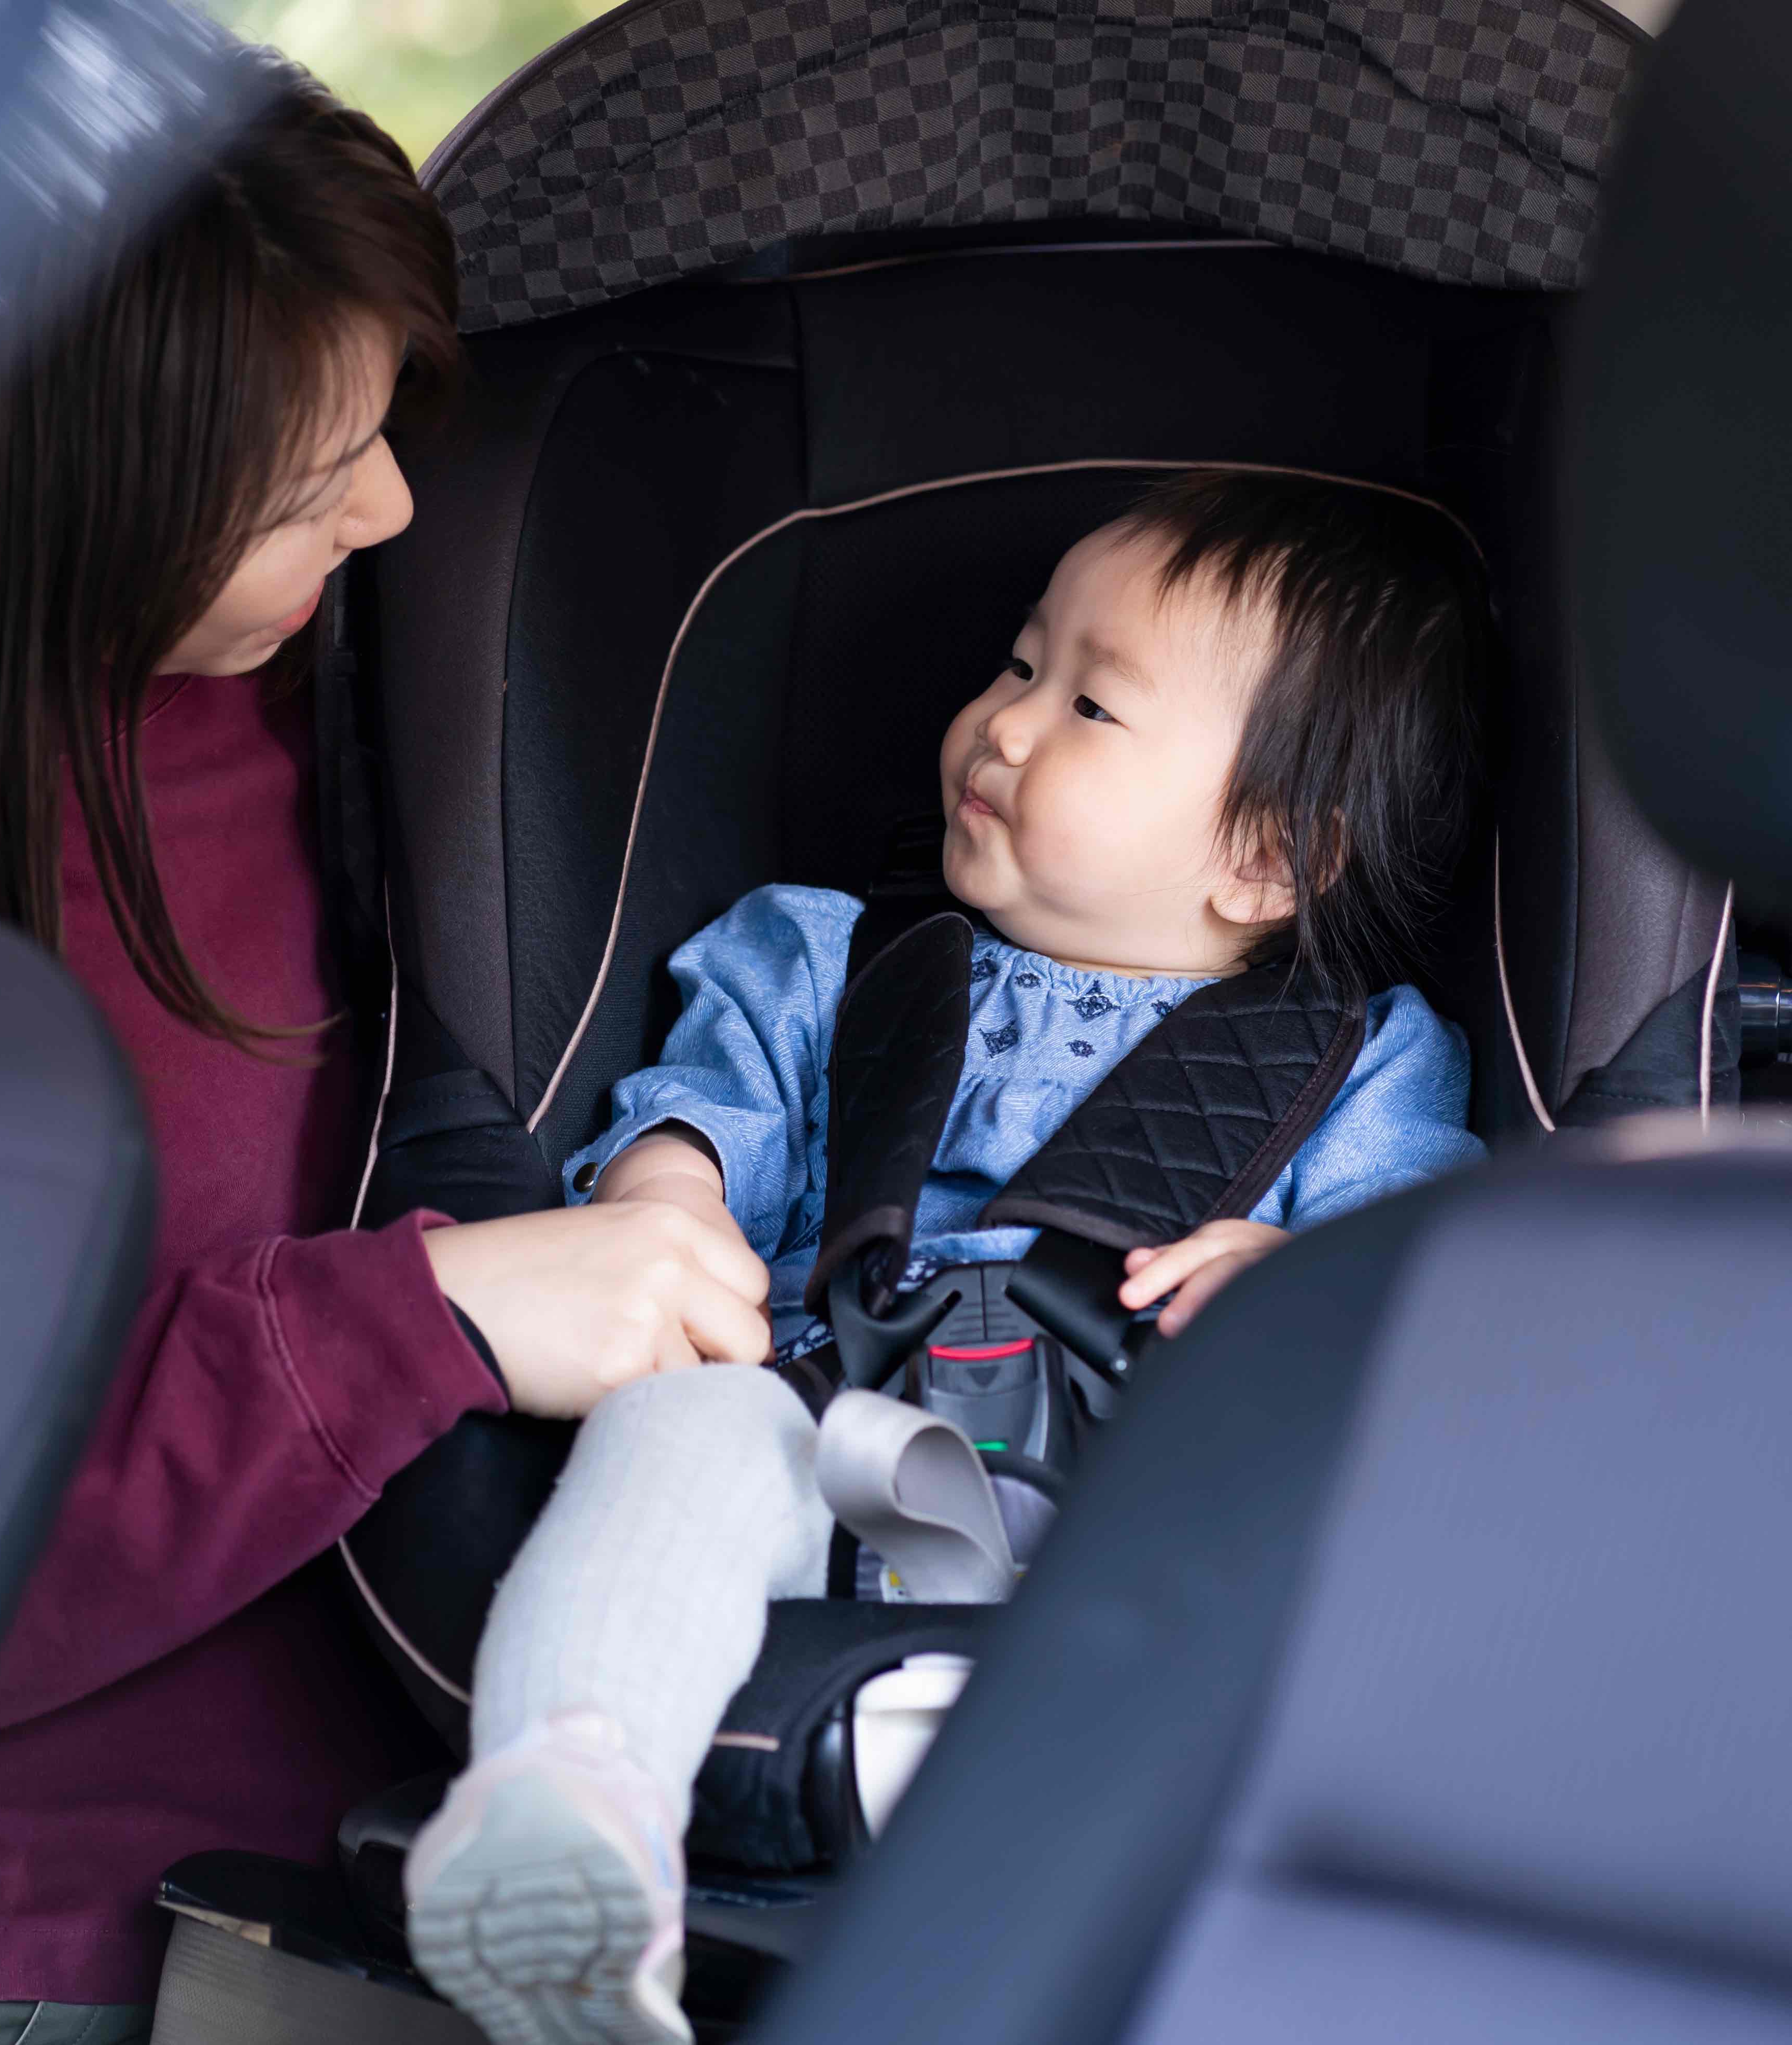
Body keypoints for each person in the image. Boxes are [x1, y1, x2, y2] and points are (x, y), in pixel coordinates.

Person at [0, 67, 770, 2045]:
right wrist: (413, 1320)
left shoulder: (338, 672)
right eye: (311, 483)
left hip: (388, 1899)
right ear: (76, 503)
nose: (387, 507)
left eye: (389, 432)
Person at [402, 470, 1495, 2045]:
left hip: (1134, 1485)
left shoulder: (1364, 1060)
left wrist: (1297, 1285)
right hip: (814, 1416)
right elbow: (708, 1107)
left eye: (1089, 708)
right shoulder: (829, 953)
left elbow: (1422, 1263)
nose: (1002, 722)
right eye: (1016, 663)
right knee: (675, 1434)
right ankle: (573, 1807)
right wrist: (669, 1189)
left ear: (1264, 860)